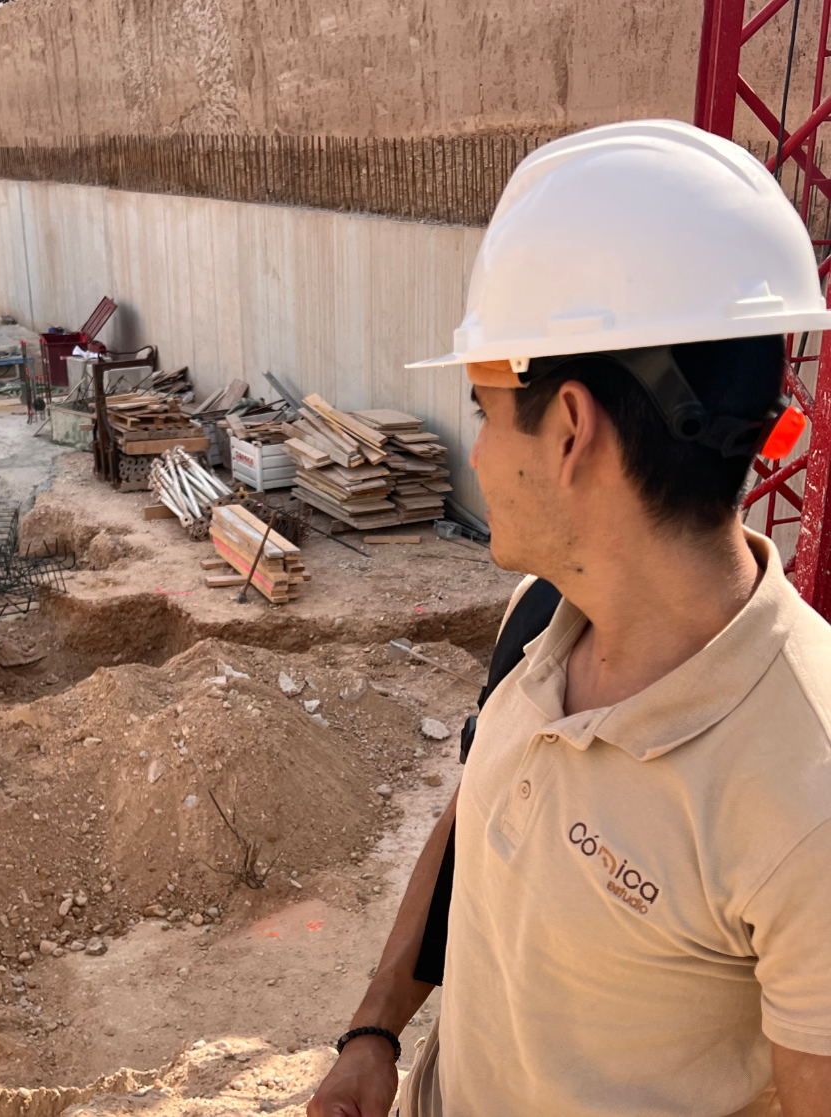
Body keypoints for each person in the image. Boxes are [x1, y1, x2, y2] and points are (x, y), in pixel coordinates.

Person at [307, 120, 831, 1117]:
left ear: (570, 430)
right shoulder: (542, 616)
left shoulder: (806, 782)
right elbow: (479, 824)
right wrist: (375, 1030)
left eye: (482, 406)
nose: (474, 454)